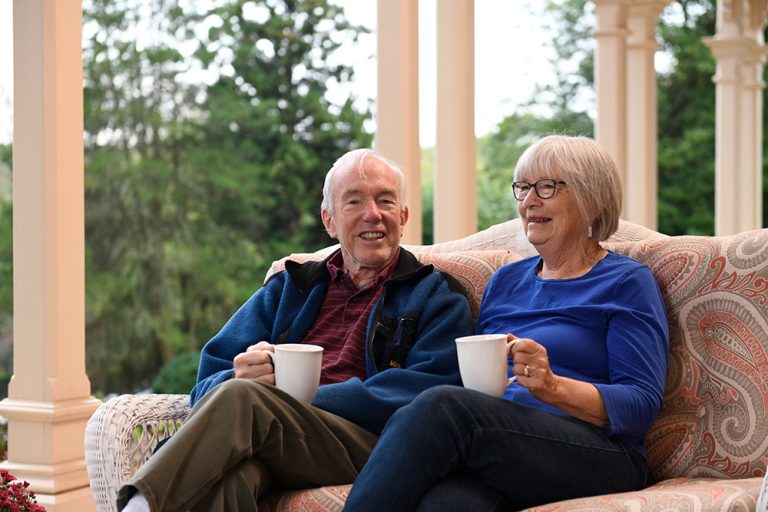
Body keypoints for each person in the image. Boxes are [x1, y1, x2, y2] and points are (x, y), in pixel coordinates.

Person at [116, 148, 473, 512]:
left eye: (385, 201)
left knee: (245, 399)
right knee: (235, 477)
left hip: (375, 443)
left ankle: (138, 507)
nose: (373, 214)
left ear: (403, 216)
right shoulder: (289, 288)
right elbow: (206, 384)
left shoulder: (436, 294)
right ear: (329, 221)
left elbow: (429, 395)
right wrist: (238, 376)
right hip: (283, 438)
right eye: (354, 201)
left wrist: (294, 397)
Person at [343, 135, 670, 512]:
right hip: (502, 446)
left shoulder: (626, 281)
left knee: (443, 406)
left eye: (547, 187)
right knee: (447, 504)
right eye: (523, 187)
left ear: (591, 198)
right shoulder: (505, 281)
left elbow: (640, 405)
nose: (529, 201)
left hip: (598, 453)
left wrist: (553, 387)